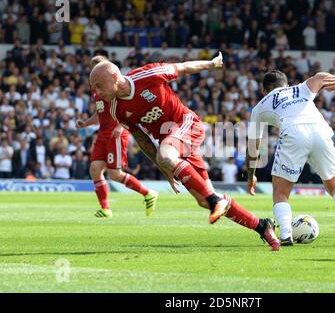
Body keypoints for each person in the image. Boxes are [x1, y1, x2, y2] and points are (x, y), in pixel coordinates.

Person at [89, 53, 280, 251]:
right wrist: (164, 167)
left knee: (176, 164)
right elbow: (141, 137)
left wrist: (212, 64)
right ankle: (262, 225)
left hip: (185, 123)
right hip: (171, 142)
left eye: (98, 85)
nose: (96, 92)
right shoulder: (115, 109)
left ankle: (215, 201)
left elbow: (183, 67)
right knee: (203, 200)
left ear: (114, 77)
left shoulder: (148, 75)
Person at [246, 70, 335, 247]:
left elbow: (253, 146)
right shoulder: (299, 89)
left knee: (281, 193)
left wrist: (251, 174)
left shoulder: (260, 106)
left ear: (264, 90)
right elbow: (320, 77)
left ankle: (285, 235)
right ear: (287, 84)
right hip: (319, 130)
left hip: (293, 133)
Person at [76, 55, 158, 218]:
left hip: (116, 133)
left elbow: (128, 108)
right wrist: (86, 123)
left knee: (115, 174)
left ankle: (148, 193)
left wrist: (121, 126)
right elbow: (101, 113)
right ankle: (106, 209)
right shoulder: (97, 89)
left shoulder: (114, 86)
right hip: (103, 133)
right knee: (94, 170)